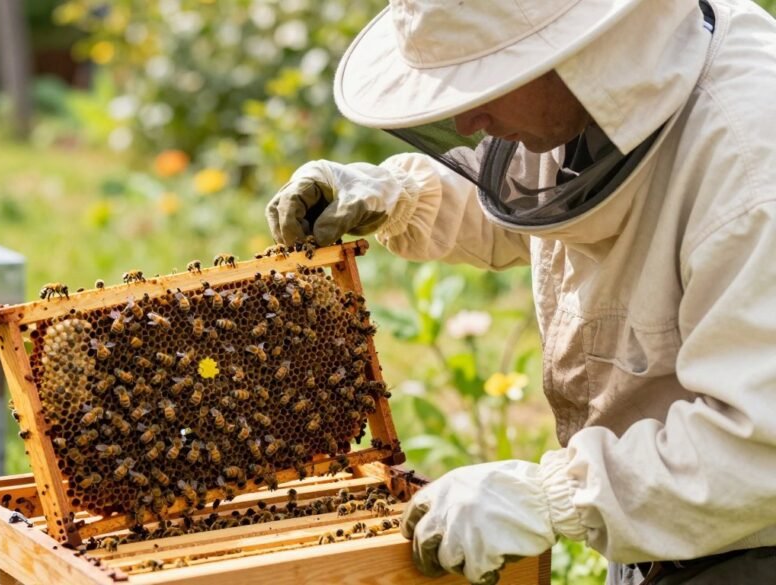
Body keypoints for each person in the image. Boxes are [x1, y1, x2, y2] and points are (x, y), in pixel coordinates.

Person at [266, 0, 776, 583]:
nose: (464, 121)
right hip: (659, 528)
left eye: (486, 79)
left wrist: (556, 497)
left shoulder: (752, 169)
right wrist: (396, 195)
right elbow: (539, 205)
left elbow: (764, 448)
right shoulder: (599, 91)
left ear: (571, 51)